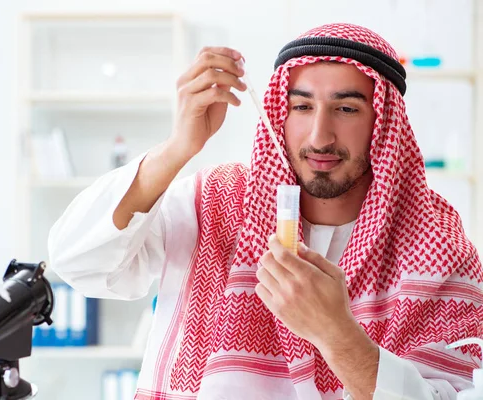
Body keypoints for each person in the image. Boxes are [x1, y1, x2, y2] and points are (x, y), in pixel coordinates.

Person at [48, 23, 483, 399]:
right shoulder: (218, 202)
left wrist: (338, 336)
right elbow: (78, 262)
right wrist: (180, 146)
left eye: (346, 109)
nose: (319, 135)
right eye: (302, 106)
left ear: (383, 123)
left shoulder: (438, 245)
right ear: (280, 113)